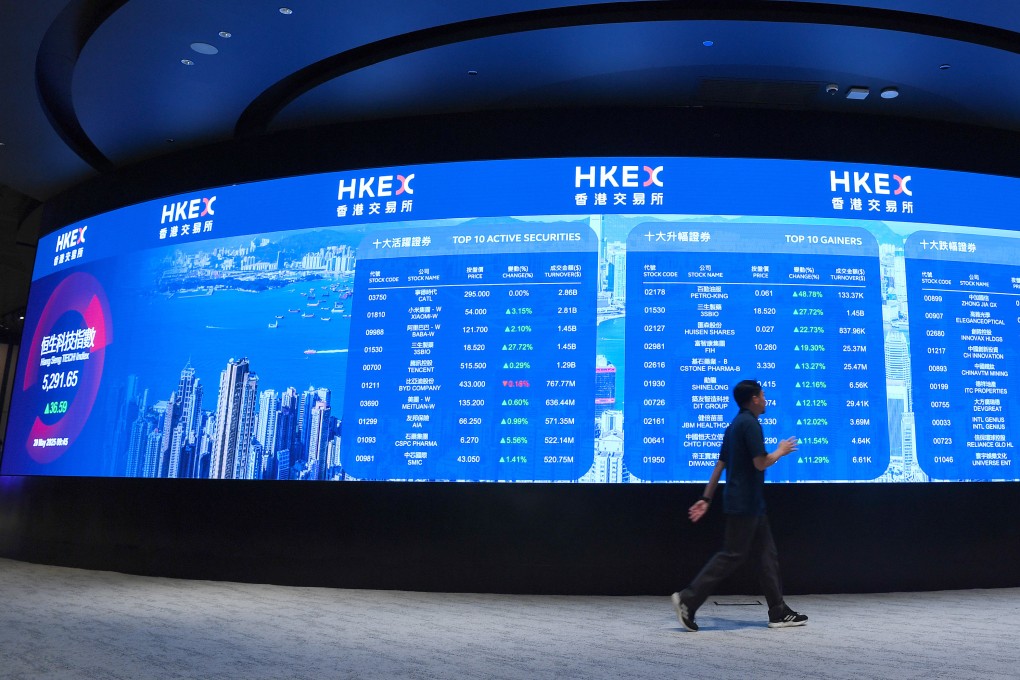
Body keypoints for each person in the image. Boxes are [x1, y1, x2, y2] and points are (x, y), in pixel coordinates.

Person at [671, 379, 808, 631]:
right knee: (732, 555)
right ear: (754, 399)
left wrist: (705, 498)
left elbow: (719, 466)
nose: (766, 400)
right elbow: (760, 463)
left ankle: (778, 612)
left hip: (749, 503)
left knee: (767, 557)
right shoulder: (750, 424)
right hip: (745, 503)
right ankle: (687, 600)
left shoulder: (733, 426)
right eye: (763, 395)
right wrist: (781, 450)